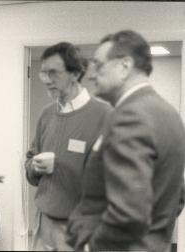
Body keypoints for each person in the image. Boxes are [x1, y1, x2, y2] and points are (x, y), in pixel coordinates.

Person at [66, 30, 185, 252]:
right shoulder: (168, 113)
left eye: (99, 65)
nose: (91, 75)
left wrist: (91, 246)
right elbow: (177, 195)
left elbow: (129, 212)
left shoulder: (130, 116)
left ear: (124, 66)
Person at [25, 42, 111, 251]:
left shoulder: (104, 116)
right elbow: (30, 164)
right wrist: (34, 168)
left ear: (74, 73)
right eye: (43, 73)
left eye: (53, 73)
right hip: (43, 223)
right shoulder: (47, 114)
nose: (46, 80)